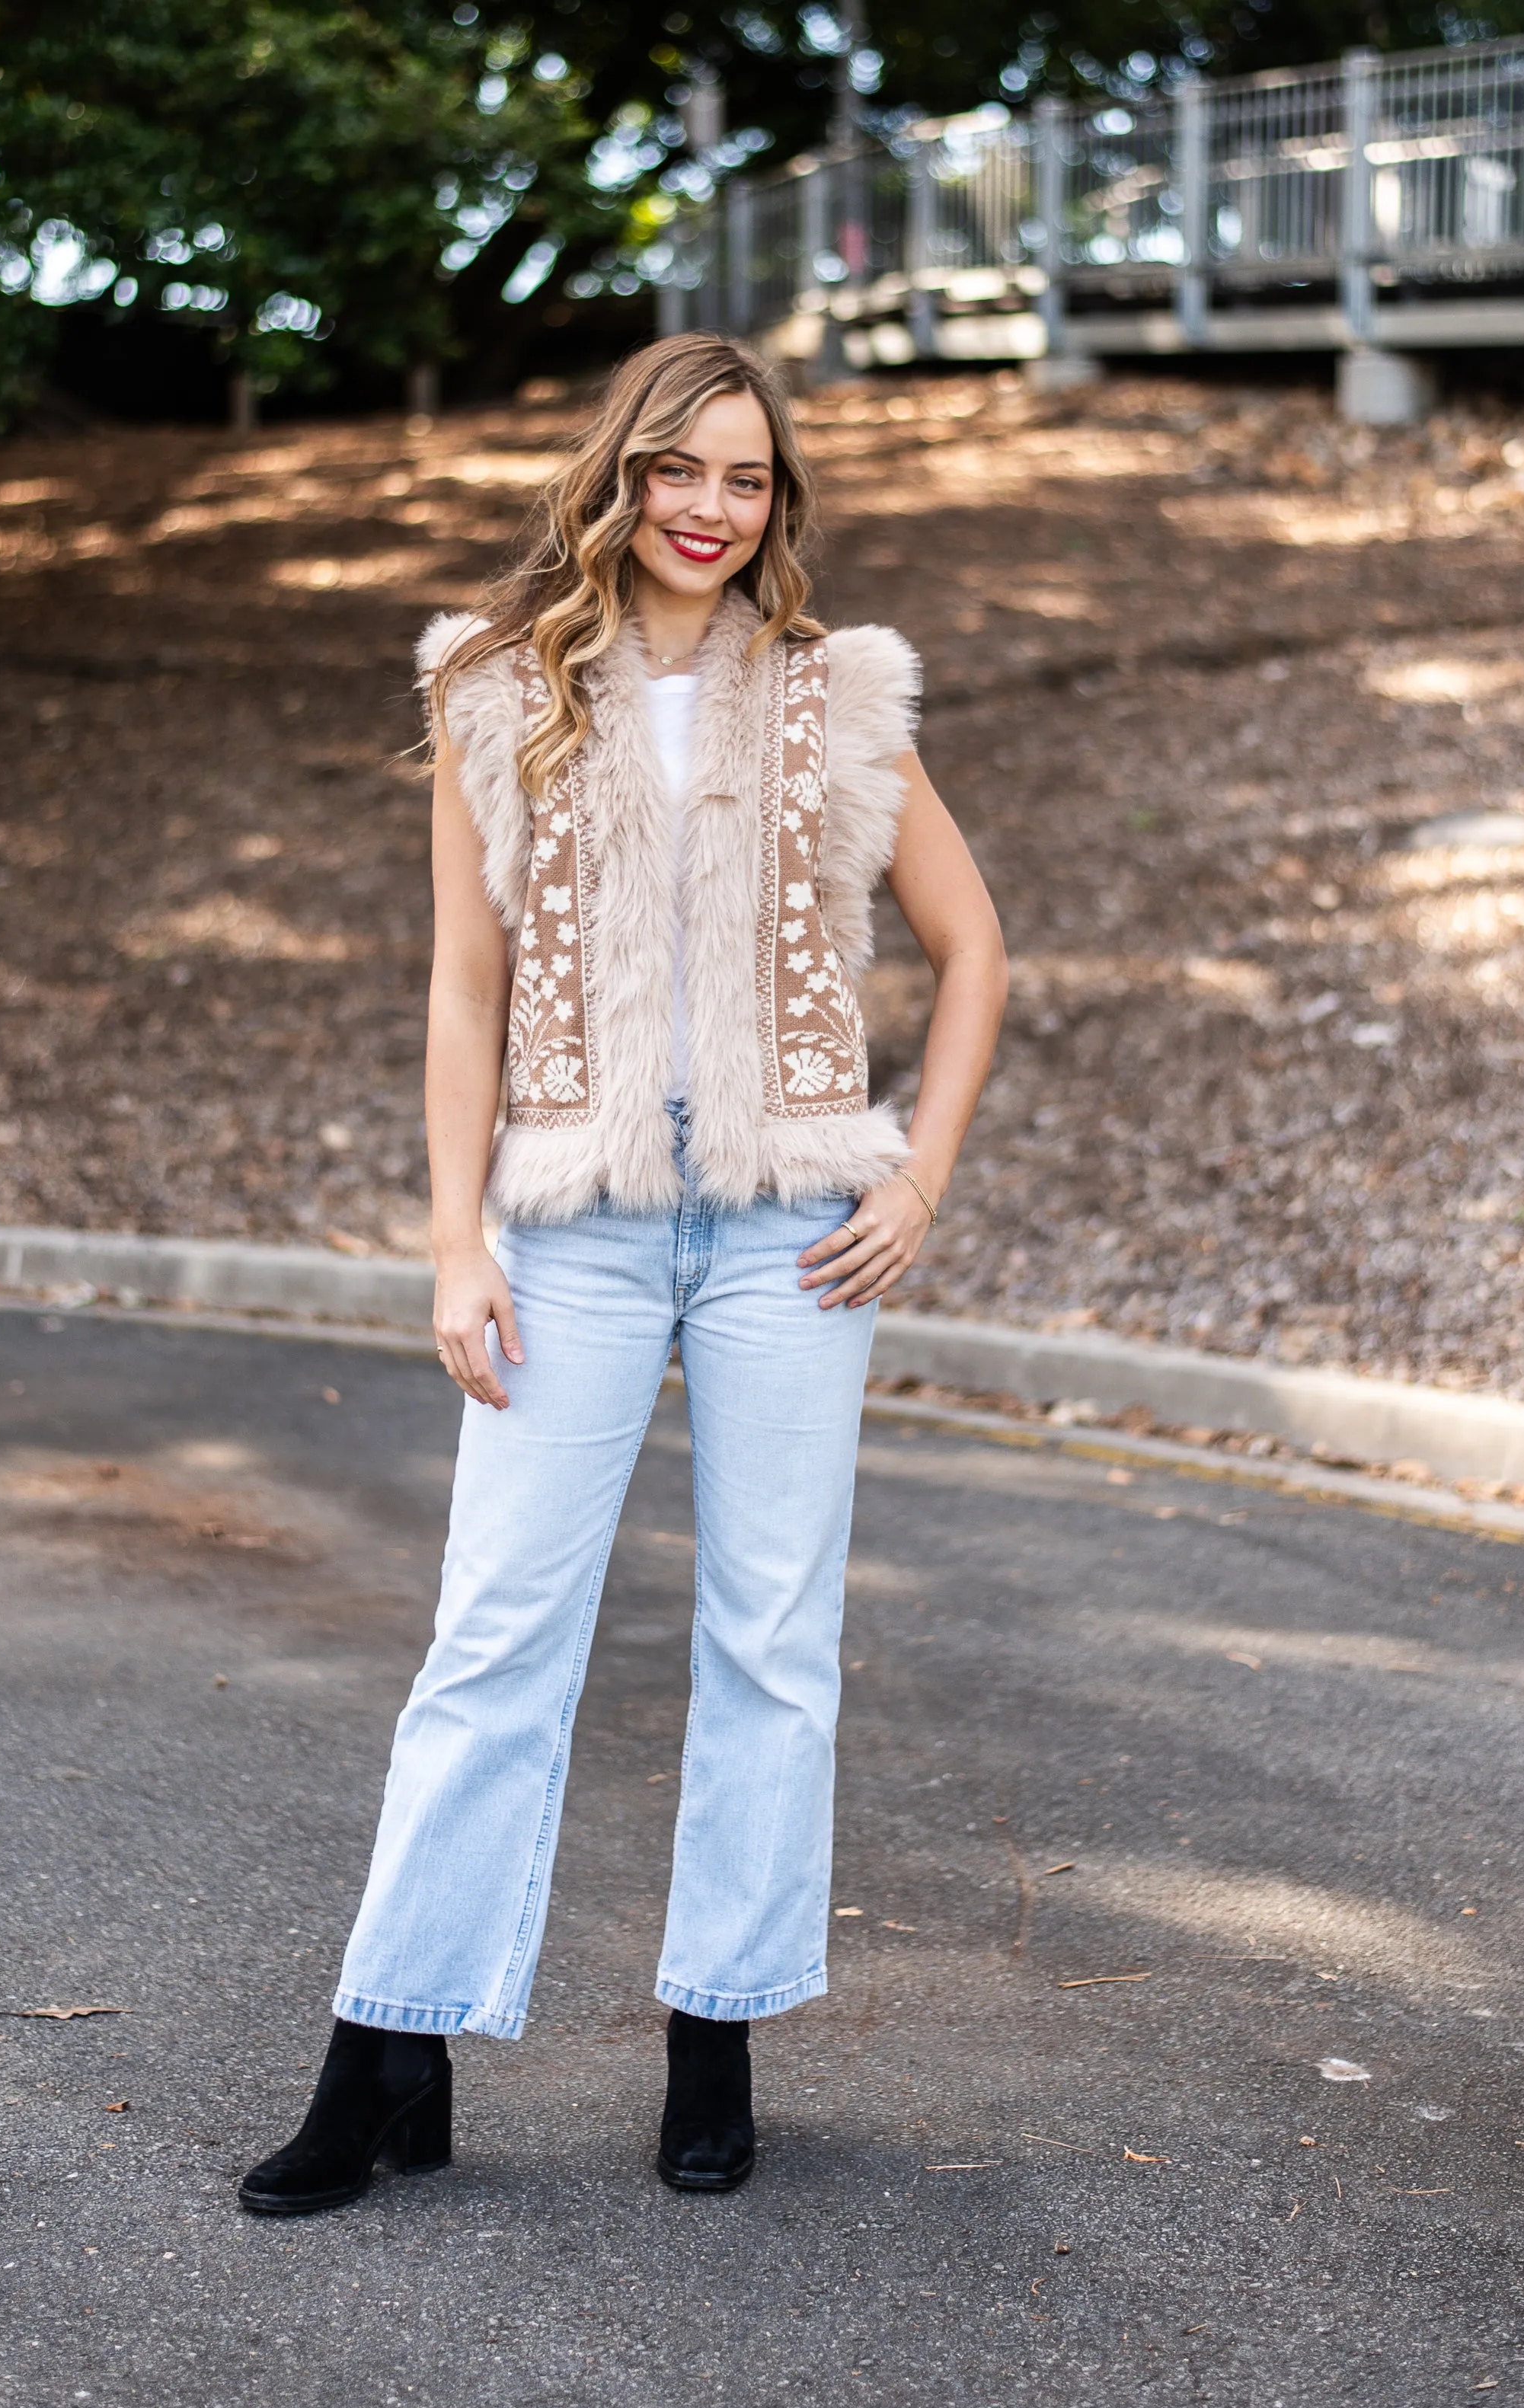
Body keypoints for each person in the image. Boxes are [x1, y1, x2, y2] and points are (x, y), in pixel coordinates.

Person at [239, 333, 1007, 2216]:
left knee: (770, 1636)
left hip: (786, 1231)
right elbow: (461, 983)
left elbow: (973, 947)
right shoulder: (501, 690)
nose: (708, 509)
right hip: (569, 1221)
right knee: (493, 1634)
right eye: (681, 469)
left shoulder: (837, 694)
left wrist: (918, 1174)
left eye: (746, 481)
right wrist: (449, 1238)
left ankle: (713, 2027)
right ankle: (387, 2050)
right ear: (621, 471)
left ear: (775, 506)